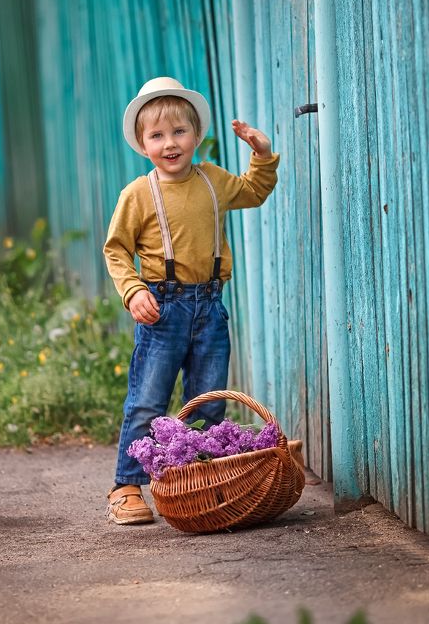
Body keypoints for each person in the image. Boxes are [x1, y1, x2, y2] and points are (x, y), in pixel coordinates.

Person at [103, 76, 279, 525]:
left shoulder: (213, 181)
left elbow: (255, 191)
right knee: (148, 400)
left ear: (196, 135)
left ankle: (202, 483)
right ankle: (126, 486)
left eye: (179, 131)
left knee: (208, 403)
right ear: (143, 144)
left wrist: (261, 155)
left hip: (210, 308)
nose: (170, 143)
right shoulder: (138, 194)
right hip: (162, 310)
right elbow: (116, 249)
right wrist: (133, 290)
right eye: (157, 135)